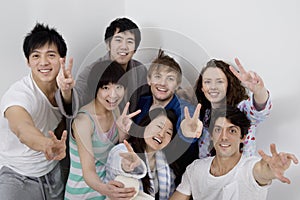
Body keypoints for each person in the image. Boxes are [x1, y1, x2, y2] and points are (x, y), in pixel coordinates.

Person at [0, 23, 75, 200]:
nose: (43, 62)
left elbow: (67, 116)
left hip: (53, 174)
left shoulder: (64, 86)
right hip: (18, 178)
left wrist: (66, 93)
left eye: (51, 55)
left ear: (62, 59)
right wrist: (46, 145)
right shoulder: (19, 94)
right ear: (28, 61)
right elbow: (22, 128)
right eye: (36, 56)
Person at [170, 106, 298, 200]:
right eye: (218, 130)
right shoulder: (196, 168)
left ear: (243, 137)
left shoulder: (249, 167)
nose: (224, 137)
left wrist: (271, 169)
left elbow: (261, 172)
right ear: (212, 135)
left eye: (232, 131)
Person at [64, 61, 140, 199]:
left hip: (106, 191)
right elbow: (88, 171)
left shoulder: (115, 111)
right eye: (105, 87)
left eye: (119, 87)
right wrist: (106, 190)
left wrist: (124, 133)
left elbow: (115, 151)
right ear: (95, 89)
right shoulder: (83, 121)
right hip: (82, 193)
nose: (113, 95)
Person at [133, 49, 198, 186]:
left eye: (170, 79)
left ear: (177, 85)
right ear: (149, 80)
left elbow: (188, 130)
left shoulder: (185, 110)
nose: (162, 83)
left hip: (175, 180)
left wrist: (187, 133)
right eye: (158, 76)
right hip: (139, 173)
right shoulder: (141, 102)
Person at [193, 58, 272, 158]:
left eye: (219, 81)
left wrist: (259, 90)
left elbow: (259, 109)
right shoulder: (204, 113)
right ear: (202, 87)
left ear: (228, 84)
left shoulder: (241, 109)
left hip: (240, 171)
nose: (213, 87)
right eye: (207, 82)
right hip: (209, 171)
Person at [74, 17, 149, 113]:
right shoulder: (92, 70)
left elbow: (145, 101)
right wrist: (66, 93)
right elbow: (77, 100)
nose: (124, 47)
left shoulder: (140, 69)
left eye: (130, 42)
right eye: (118, 40)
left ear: (135, 48)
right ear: (108, 44)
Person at [106, 107, 178, 200]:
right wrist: (127, 166)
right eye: (158, 126)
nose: (161, 134)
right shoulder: (125, 149)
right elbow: (118, 158)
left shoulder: (167, 165)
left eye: (168, 133)